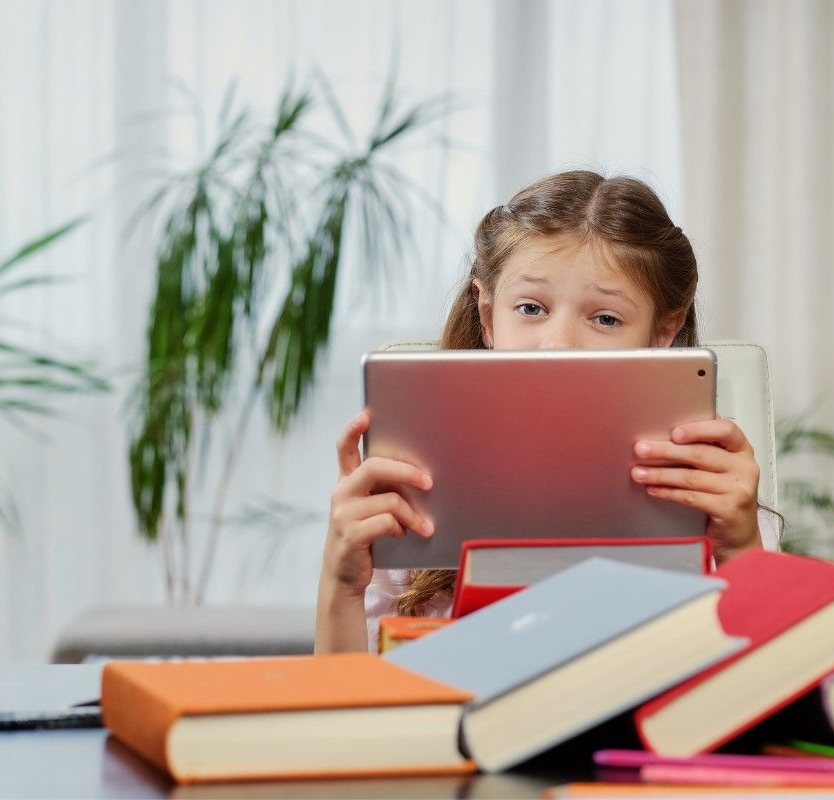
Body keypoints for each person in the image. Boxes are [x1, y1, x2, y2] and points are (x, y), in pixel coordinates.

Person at [315, 170, 776, 654]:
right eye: (532, 308)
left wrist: (740, 549)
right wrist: (341, 584)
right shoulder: (414, 486)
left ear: (663, 332)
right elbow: (344, 708)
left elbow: (774, 700)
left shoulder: (711, 490)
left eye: (605, 318)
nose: (559, 343)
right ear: (489, 316)